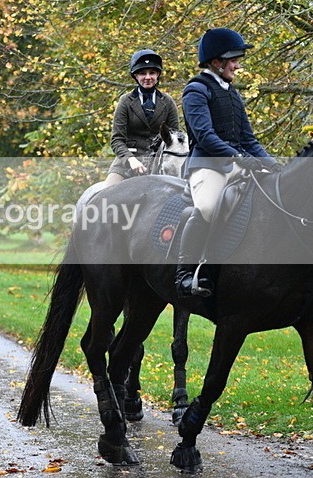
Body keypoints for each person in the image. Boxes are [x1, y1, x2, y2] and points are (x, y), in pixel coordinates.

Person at [175, 28, 280, 299]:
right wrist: (239, 158)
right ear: (215, 62)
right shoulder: (196, 90)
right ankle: (185, 274)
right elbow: (205, 137)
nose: (237, 64)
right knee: (208, 207)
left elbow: (249, 139)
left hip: (236, 165)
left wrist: (275, 166)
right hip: (207, 166)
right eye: (233, 59)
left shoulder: (232, 94)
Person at [102, 49, 180, 186]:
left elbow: (174, 138)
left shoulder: (167, 102)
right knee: (105, 195)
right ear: (135, 76)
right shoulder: (125, 101)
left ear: (158, 75)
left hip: (159, 163)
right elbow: (116, 140)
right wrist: (130, 160)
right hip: (127, 163)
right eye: (143, 73)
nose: (148, 77)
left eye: (152, 73)